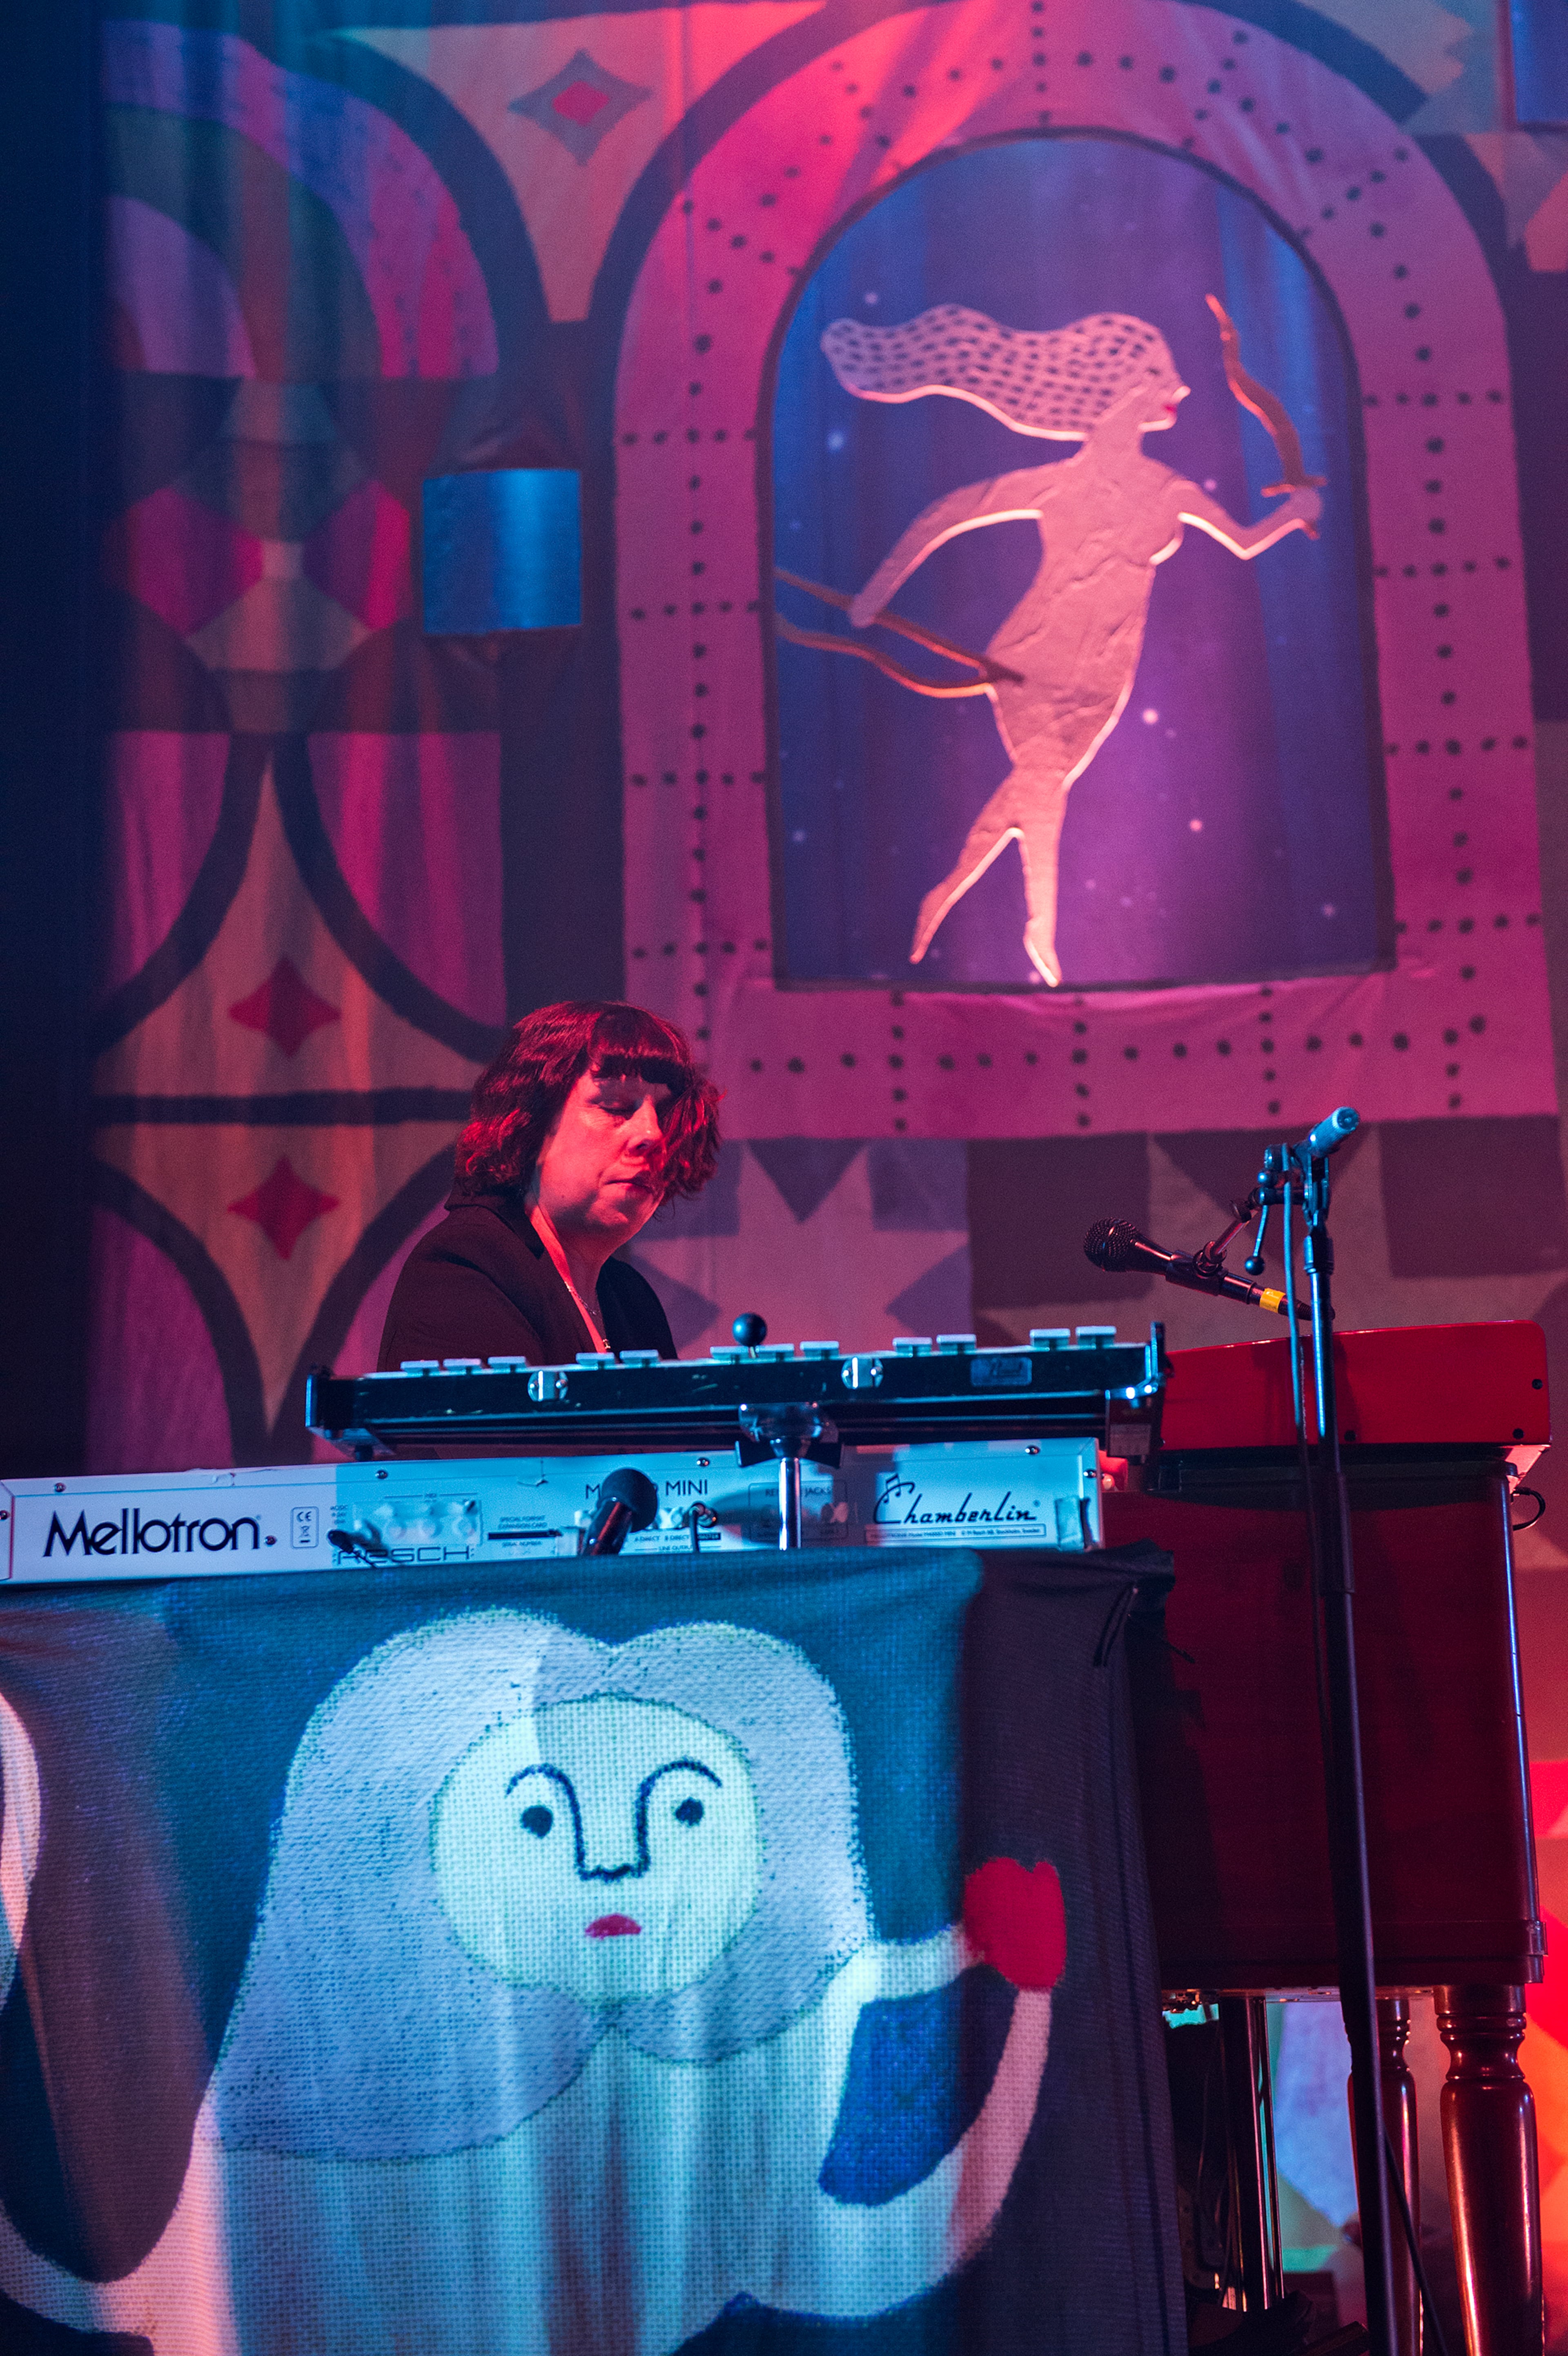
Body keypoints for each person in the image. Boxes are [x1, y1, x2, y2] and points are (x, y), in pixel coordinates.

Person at [823, 305, 1323, 986]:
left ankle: (947, 894)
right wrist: (873, 595)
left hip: (1105, 679)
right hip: (1032, 658)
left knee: (1038, 786)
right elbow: (947, 514)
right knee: (1043, 783)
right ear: (1123, 391)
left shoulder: (1169, 489)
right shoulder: (1061, 480)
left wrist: (1294, 514)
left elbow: (1241, 540)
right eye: (1158, 378)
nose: (1176, 391)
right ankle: (1040, 930)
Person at [378, 1001, 720, 1370]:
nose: (653, 1134)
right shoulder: (465, 1267)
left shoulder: (630, 1298)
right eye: (616, 1105)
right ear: (530, 1122)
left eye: (664, 1115)